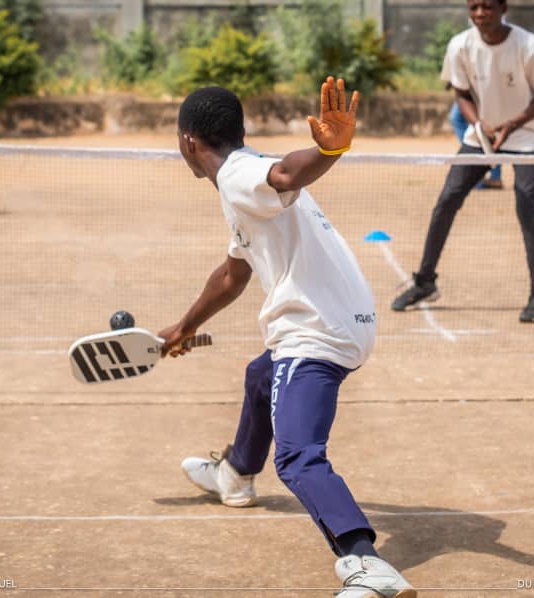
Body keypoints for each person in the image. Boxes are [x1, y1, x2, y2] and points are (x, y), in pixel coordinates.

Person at [160, 77, 416, 598]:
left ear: (187, 140)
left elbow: (285, 172)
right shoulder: (241, 185)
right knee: (261, 377)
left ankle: (365, 563)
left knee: (299, 456)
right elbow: (233, 273)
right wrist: (186, 326)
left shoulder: (242, 175)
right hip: (347, 322)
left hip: (316, 332)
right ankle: (234, 474)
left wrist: (332, 147)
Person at [392, 0, 534, 322]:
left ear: (503, 8)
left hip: (526, 136)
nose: (480, 12)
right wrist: (478, 124)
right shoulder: (461, 46)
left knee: (526, 203)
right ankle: (425, 281)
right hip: (481, 135)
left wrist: (512, 125)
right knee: (448, 199)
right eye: (474, 6)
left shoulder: (529, 46)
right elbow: (461, 92)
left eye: (487, 6)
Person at [447, 0, 503, 190]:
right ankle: (488, 168)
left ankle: (484, 168)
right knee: (465, 121)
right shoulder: (474, 14)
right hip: (472, 83)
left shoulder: (493, 16)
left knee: (470, 122)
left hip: (487, 84)